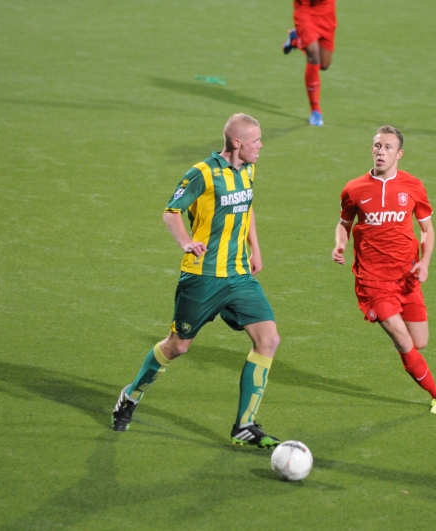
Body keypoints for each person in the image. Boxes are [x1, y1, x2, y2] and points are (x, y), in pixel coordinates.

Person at [112, 113, 283, 447]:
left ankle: (244, 426)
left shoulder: (248, 169)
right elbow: (170, 212)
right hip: (202, 277)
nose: (261, 146)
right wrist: (185, 242)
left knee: (269, 339)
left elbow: (247, 207)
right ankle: (131, 395)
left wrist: (255, 249)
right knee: (178, 346)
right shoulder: (201, 173)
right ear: (237, 144)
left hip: (238, 275)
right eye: (256, 141)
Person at [331, 126, 436, 415]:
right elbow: (344, 223)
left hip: (407, 277)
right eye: (377, 145)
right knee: (402, 339)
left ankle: (418, 370)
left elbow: (427, 229)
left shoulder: (413, 186)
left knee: (419, 342)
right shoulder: (354, 188)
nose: (380, 151)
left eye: (387, 147)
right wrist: (339, 244)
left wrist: (426, 261)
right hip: (372, 281)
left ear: (399, 154)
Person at [282, 0, 336, 126]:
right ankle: (315, 110)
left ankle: (296, 40)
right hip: (305, 9)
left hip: (326, 11)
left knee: (324, 64)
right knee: (313, 56)